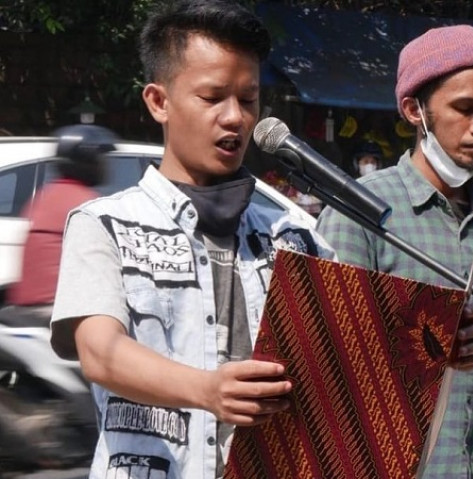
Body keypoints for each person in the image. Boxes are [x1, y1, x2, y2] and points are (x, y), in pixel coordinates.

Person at [48, 2, 338, 477]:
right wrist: (206, 390)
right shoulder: (104, 225)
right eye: (212, 97)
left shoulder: (295, 233)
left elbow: (347, 352)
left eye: (248, 99)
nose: (235, 117)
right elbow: (99, 353)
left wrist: (439, 340)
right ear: (158, 102)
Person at [316, 24, 473, 477]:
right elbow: (328, 361)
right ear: (414, 110)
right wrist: (425, 343)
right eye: (465, 108)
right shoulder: (360, 211)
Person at [1, 124, 114, 328]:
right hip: (56, 313)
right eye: (102, 160)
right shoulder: (86, 204)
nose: (106, 166)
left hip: (26, 309)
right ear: (88, 162)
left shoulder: (46, 196)